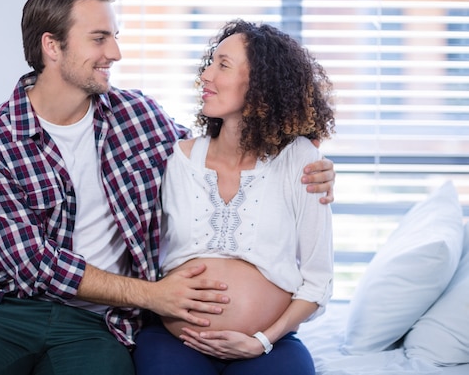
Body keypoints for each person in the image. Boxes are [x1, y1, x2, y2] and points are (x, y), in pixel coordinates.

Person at [0, 0, 335, 375]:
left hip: (101, 324)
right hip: (13, 307)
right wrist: (151, 295)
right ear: (52, 47)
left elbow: (221, 154)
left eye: (115, 36)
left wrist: (312, 166)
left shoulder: (138, 116)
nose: (115, 53)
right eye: (99, 38)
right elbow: (32, 263)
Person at [133, 20, 335, 375]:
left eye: (222, 65)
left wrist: (262, 340)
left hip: (270, 345)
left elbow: (318, 281)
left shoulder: (301, 160)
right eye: (210, 62)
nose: (206, 76)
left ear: (260, 86)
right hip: (176, 339)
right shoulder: (177, 159)